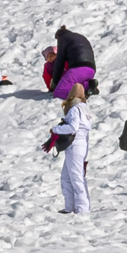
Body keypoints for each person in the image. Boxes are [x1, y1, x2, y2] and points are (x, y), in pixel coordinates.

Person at [45, 84, 91, 214]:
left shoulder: (75, 109)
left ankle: (82, 208)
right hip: (81, 145)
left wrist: (55, 129)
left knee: (76, 177)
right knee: (67, 176)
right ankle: (70, 206)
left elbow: (73, 127)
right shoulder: (85, 108)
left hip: (75, 145)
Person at [49, 26, 97, 99]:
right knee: (77, 84)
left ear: (58, 36)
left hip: (78, 68)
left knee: (59, 91)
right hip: (91, 69)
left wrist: (55, 82)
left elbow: (59, 62)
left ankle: (81, 94)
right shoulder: (79, 37)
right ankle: (88, 85)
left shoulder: (63, 38)